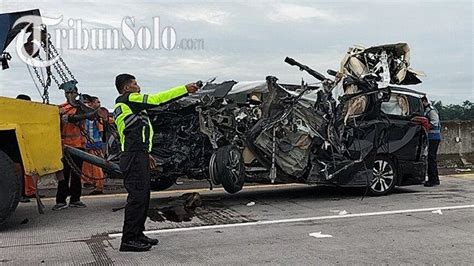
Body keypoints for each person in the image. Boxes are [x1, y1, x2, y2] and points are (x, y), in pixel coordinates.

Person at [114, 74, 199, 252]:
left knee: (143, 197)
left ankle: (137, 234)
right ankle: (129, 240)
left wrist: (147, 153)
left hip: (138, 154)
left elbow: (137, 133)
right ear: (126, 88)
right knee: (137, 198)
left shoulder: (129, 105)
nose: (139, 86)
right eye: (135, 84)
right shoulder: (130, 99)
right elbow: (157, 99)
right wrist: (185, 89)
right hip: (133, 156)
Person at [52, 85, 94, 210]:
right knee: (63, 174)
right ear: (65, 94)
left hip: (78, 146)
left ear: (76, 92)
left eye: (72, 92)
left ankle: (75, 199)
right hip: (64, 147)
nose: (70, 94)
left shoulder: (81, 107)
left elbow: (91, 115)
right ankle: (61, 200)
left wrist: (80, 104)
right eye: (68, 92)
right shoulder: (60, 108)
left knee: (76, 174)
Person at [81, 95, 106, 195]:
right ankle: (89, 182)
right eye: (97, 102)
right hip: (89, 144)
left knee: (96, 166)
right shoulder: (91, 115)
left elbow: (101, 131)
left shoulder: (95, 116)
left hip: (94, 144)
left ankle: (99, 186)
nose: (99, 104)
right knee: (88, 166)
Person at [421, 96, 442, 187]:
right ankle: (434, 179)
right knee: (431, 158)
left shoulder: (431, 111)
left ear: (425, 101)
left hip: (434, 137)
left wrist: (426, 125)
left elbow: (434, 122)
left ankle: (432, 180)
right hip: (431, 137)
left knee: (431, 158)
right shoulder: (427, 110)